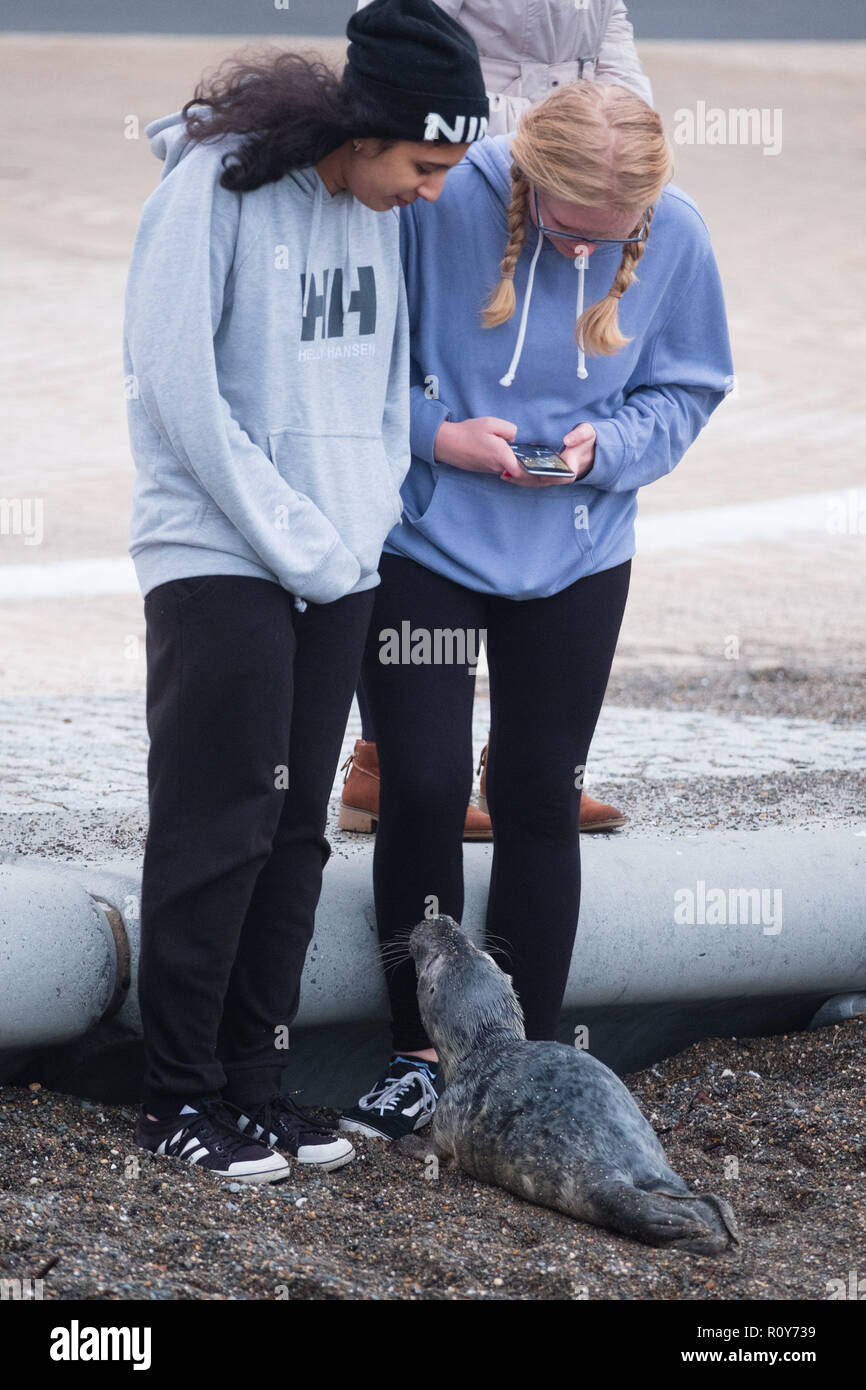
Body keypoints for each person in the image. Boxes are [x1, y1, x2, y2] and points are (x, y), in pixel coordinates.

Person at [123, 0, 489, 1185]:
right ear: (371, 127)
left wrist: (361, 525)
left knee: (292, 836)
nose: (432, 192)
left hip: (336, 560)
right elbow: (180, 393)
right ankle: (175, 1096)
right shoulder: (210, 191)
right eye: (425, 165)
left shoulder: (373, 211)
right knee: (214, 828)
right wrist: (299, 538)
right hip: (219, 554)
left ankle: (251, 1084)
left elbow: (387, 390)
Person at [339, 80, 733, 1140]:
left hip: (577, 545)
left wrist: (612, 448)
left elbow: (689, 386)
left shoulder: (677, 233)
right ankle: (418, 1056)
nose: (578, 254)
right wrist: (442, 436)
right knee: (418, 781)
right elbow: (365, 367)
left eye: (607, 240)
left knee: (535, 788)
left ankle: (521, 1064)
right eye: (565, 229)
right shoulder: (438, 203)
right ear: (525, 182)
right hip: (425, 536)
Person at [343, 0, 653, 837]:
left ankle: (519, 769)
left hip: (579, 158)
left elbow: (606, 20)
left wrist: (623, 131)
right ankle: (388, 760)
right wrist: (511, 156)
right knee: (430, 475)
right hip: (476, 153)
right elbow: (400, 26)